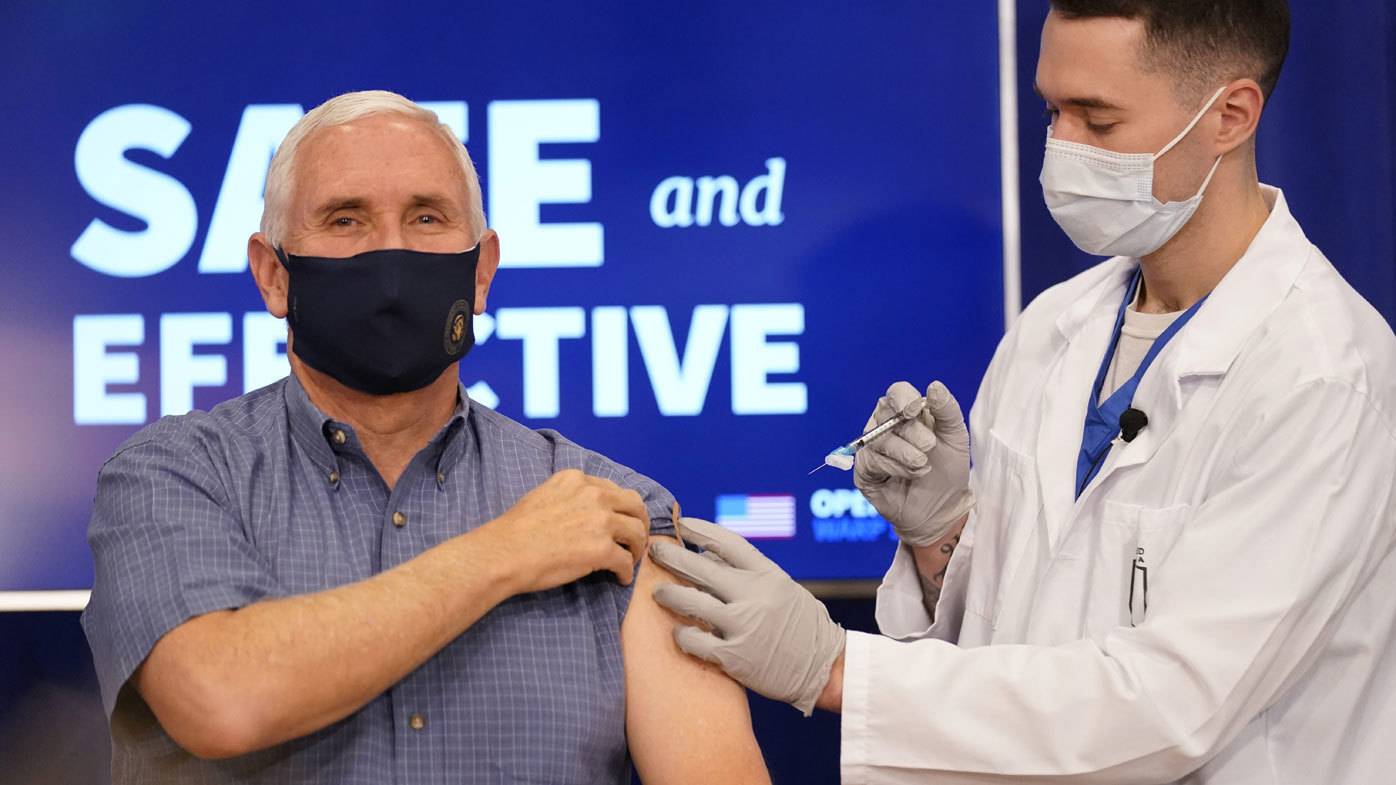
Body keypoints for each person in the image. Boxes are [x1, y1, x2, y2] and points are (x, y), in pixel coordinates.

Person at [650, 1, 1396, 782]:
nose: (1062, 149)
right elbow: (1015, 645)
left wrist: (835, 666)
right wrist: (944, 542)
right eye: (1051, 111)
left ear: (1232, 115)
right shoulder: (1056, 325)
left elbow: (1170, 708)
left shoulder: (1324, 378)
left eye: (1098, 122)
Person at [81, 90, 770, 785]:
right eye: (346, 218)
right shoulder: (173, 475)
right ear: (273, 275)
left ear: (481, 269)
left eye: (427, 216)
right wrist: (507, 550)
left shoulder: (614, 512)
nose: (391, 254)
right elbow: (217, 697)